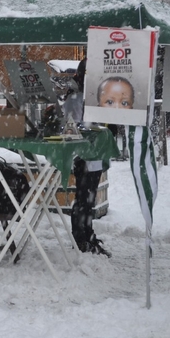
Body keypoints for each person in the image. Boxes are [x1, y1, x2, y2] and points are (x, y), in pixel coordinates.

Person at [65, 56, 111, 257]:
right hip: (84, 155)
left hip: (94, 153)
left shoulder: (93, 96)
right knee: (84, 198)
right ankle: (81, 238)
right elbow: (75, 126)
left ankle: (87, 234)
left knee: (88, 198)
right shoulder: (76, 97)